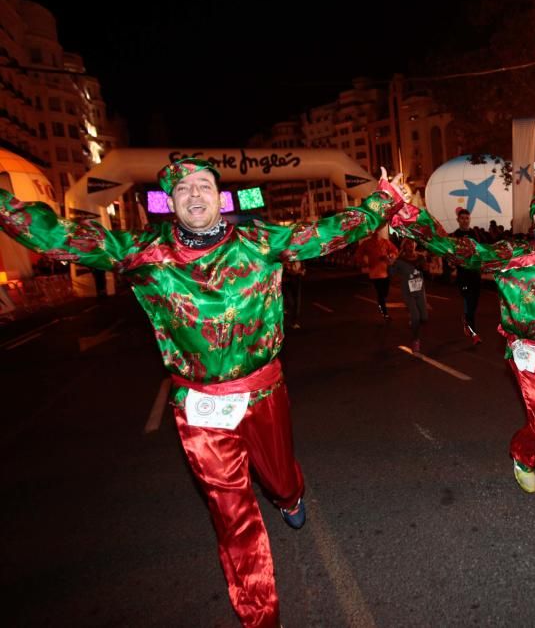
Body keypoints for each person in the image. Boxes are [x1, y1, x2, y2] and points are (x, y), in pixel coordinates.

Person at [0, 157, 401, 627]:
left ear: (219, 195)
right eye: (183, 188)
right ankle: (259, 618)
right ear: (170, 202)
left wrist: (383, 201)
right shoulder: (143, 252)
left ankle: (290, 497)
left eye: (204, 185)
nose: (194, 194)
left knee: (280, 480)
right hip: (200, 410)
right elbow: (60, 235)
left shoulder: (258, 242)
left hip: (263, 390)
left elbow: (328, 231)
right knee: (233, 517)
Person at [387, 186, 535, 495]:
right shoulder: (514, 255)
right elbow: (459, 250)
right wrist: (408, 215)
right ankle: (522, 454)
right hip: (530, 355)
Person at [389, 238, 429, 353]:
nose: (410, 246)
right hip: (408, 292)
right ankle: (415, 340)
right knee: (416, 317)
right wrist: (390, 264)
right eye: (407, 245)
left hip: (420, 291)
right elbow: (391, 274)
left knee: (424, 318)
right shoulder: (400, 260)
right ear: (404, 247)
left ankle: (414, 321)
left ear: (415, 245)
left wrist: (425, 265)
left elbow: (426, 271)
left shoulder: (420, 257)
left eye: (412, 244)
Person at [451, 207, 483, 344]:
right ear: (458, 220)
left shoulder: (475, 233)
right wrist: (452, 264)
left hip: (475, 275)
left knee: (474, 305)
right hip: (463, 276)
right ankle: (473, 333)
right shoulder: (454, 235)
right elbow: (451, 253)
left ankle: (466, 319)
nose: (465, 221)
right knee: (469, 304)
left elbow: (481, 250)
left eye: (467, 218)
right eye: (462, 218)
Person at [356, 225, 398, 320]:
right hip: (375, 274)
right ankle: (384, 313)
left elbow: (394, 250)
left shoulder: (385, 242)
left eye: (377, 230)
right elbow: (359, 253)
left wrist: (390, 256)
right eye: (374, 231)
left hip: (386, 272)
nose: (376, 233)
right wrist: (363, 262)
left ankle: (382, 306)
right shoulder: (367, 243)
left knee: (385, 293)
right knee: (381, 294)